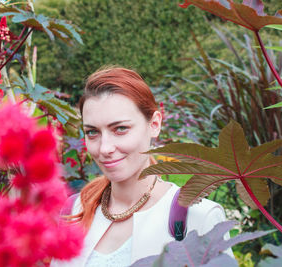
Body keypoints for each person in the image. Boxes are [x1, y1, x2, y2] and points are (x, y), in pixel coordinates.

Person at [51, 67, 230, 267]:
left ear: (154, 124)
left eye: (120, 129)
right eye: (92, 132)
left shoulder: (199, 218)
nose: (105, 148)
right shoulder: (74, 212)